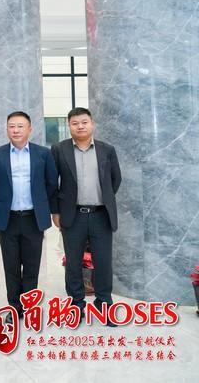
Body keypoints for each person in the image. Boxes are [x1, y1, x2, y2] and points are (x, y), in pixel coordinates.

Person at [51, 107, 121, 321]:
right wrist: (56, 211)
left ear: (92, 124)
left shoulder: (107, 150)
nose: (80, 126)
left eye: (84, 122)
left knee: (103, 262)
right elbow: (52, 183)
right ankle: (76, 306)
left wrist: (103, 200)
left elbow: (115, 179)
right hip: (72, 215)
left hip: (101, 215)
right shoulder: (59, 149)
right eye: (75, 123)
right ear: (69, 126)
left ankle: (104, 304)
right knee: (73, 263)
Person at [0, 111, 58, 321]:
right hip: (7, 218)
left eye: (20, 126)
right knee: (11, 266)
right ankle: (14, 307)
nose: (16, 130)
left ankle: (29, 307)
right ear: (7, 129)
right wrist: (4, 200)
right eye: (12, 126)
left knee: (32, 265)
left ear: (29, 129)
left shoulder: (43, 154)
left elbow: (51, 182)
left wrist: (41, 203)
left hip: (33, 218)